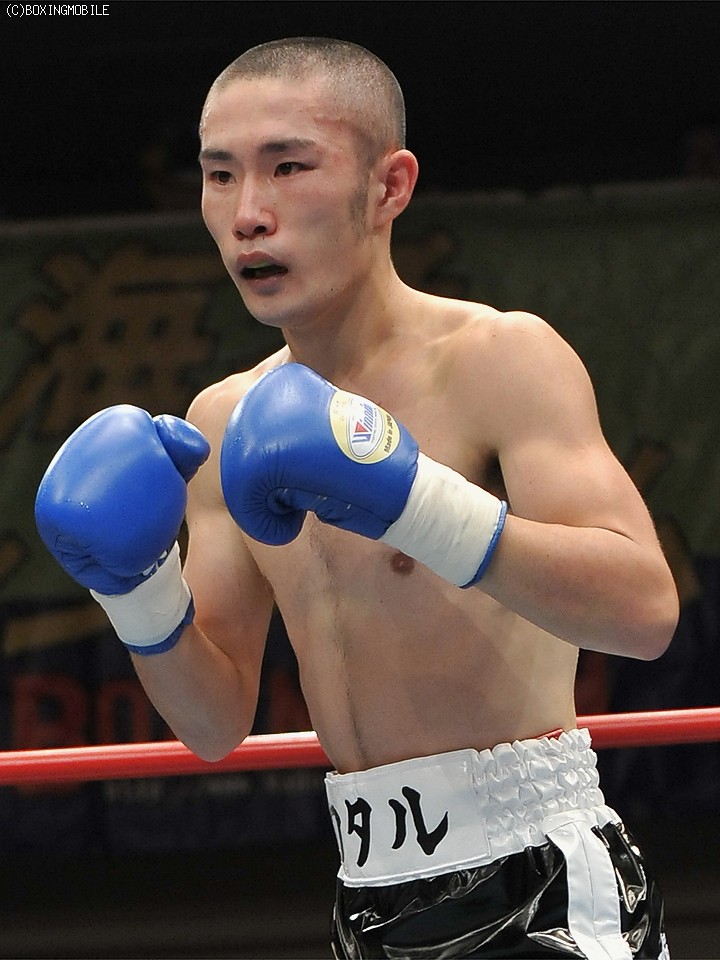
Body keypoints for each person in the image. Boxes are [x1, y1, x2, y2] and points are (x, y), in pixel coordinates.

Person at [35, 37, 679, 960]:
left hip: (536, 870)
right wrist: (133, 590)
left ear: (389, 187)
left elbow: (645, 613)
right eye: (219, 176)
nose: (248, 214)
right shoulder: (222, 420)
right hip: (366, 894)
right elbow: (213, 725)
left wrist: (412, 500)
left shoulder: (497, 361)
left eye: (288, 166)